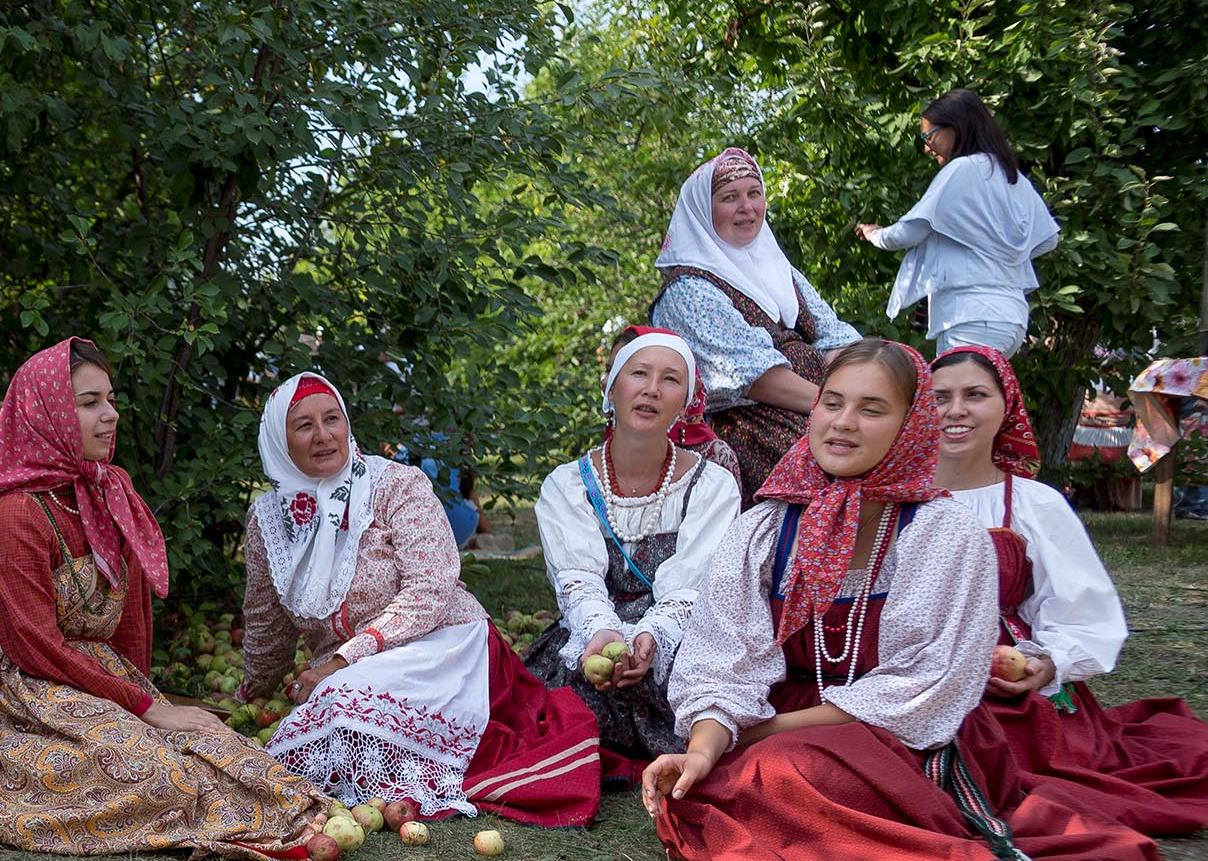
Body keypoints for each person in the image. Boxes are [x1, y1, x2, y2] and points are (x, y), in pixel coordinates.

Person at [644, 339, 1183, 861]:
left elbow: (922, 686)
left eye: (872, 409)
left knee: (783, 773)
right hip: (781, 725)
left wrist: (764, 733)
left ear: (910, 427)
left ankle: (929, 860)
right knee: (703, 790)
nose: (843, 422)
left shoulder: (941, 530)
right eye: (832, 402)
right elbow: (721, 655)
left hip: (904, 733)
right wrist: (706, 749)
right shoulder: (768, 526)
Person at [0, 339, 329, 861]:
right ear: (47, 414)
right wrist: (145, 708)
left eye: (110, 399)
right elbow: (34, 643)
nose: (111, 415)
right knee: (151, 769)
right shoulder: (15, 514)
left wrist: (144, 696)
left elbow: (130, 618)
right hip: (32, 681)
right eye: (90, 403)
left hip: (101, 674)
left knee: (215, 744)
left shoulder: (108, 487)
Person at [238, 372, 602, 824]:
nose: (323, 435)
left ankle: (398, 781)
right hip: (355, 668)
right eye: (303, 425)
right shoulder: (268, 520)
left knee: (338, 706)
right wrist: (251, 693)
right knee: (310, 727)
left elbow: (430, 587)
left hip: (443, 644)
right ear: (279, 439)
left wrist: (341, 662)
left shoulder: (394, 485)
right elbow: (266, 621)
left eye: (332, 419)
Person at [931, 343, 1208, 835]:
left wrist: (1049, 662)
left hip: (1004, 685)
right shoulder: (888, 499)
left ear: (1006, 406)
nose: (955, 410)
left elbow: (1082, 610)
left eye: (975, 394)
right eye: (938, 397)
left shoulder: (1035, 504)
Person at [525, 328, 742, 767]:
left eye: (670, 379)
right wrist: (604, 634)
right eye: (638, 373)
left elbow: (692, 589)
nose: (651, 390)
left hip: (677, 634)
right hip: (593, 632)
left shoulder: (712, 485)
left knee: (694, 683)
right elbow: (579, 582)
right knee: (566, 701)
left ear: (687, 400)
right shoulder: (568, 485)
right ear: (611, 388)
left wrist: (650, 638)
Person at [653, 147, 865, 499]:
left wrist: (865, 391)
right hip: (756, 425)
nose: (747, 207)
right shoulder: (687, 289)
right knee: (843, 473)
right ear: (704, 212)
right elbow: (754, 379)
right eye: (729, 197)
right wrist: (835, 405)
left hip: (818, 404)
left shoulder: (778, 270)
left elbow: (831, 336)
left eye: (754, 193)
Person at [856, 91, 1058, 358]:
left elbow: (907, 233)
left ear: (955, 128)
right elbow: (1048, 240)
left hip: (970, 317)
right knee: (978, 398)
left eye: (929, 137)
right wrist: (997, 252)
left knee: (951, 398)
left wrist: (874, 234)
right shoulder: (1011, 175)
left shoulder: (961, 169)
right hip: (1012, 319)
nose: (928, 148)